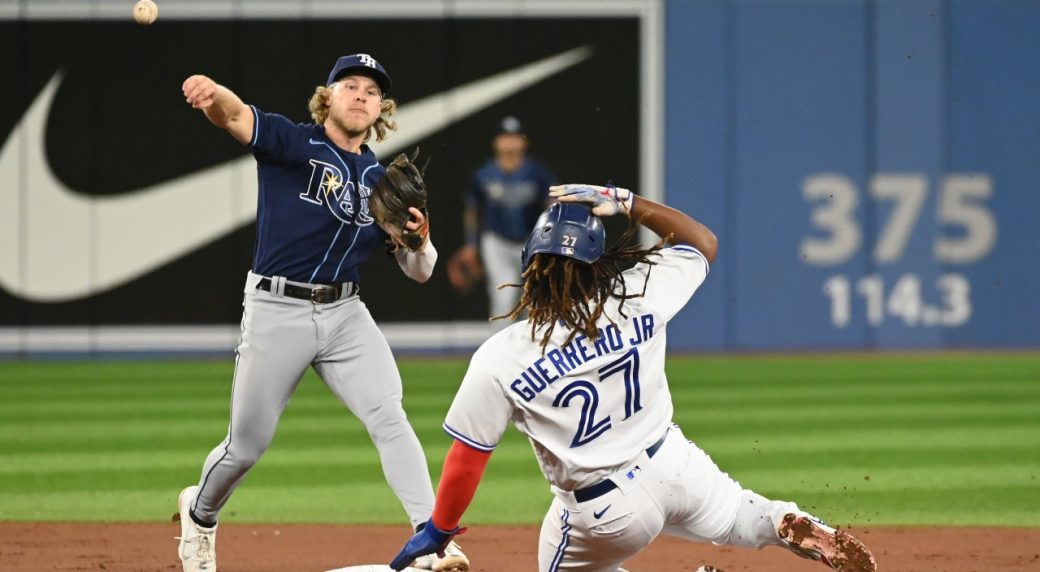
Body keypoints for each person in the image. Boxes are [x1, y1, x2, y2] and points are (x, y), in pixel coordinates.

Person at [390, 184, 877, 572]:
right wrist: (624, 200)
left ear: (530, 265)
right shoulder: (637, 289)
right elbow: (702, 242)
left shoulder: (504, 355)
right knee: (738, 517)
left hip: (604, 511)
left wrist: (439, 528)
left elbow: (468, 457)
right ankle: (782, 520)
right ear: (598, 261)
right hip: (673, 462)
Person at [175, 54, 468, 572]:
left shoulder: (382, 181)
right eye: (349, 85)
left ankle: (432, 540)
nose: (360, 94)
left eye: (371, 91)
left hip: (345, 313)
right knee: (245, 447)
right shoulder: (295, 142)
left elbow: (420, 270)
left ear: (382, 108)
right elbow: (236, 116)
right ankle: (200, 516)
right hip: (275, 309)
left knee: (389, 416)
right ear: (327, 96)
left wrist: (419, 240)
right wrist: (214, 92)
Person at [446, 116, 557, 325]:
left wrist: (551, 239)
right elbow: (472, 210)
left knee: (534, 301)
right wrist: (470, 244)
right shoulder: (483, 174)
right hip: (496, 242)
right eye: (505, 137)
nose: (510, 143)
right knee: (503, 300)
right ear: (495, 142)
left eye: (515, 137)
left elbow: (553, 205)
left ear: (524, 141)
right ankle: (498, 354)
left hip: (530, 243)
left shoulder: (538, 173)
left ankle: (531, 353)